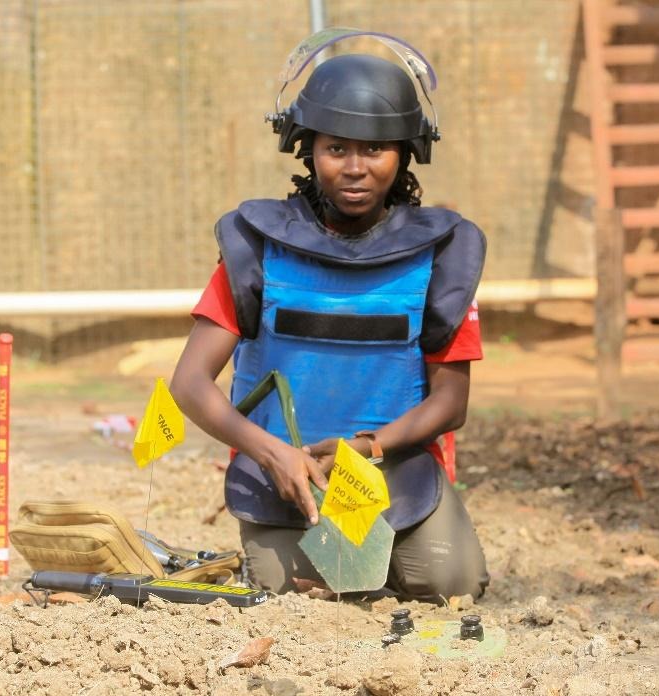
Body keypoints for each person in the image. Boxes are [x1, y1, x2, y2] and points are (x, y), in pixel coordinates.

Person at [170, 32, 488, 603]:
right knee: (291, 594)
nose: (356, 168)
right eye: (336, 148)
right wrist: (271, 452)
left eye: (376, 149)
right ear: (306, 147)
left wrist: (365, 448)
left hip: (392, 469)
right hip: (283, 479)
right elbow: (189, 383)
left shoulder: (442, 255)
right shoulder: (256, 246)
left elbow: (451, 402)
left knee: (449, 583)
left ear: (406, 152)